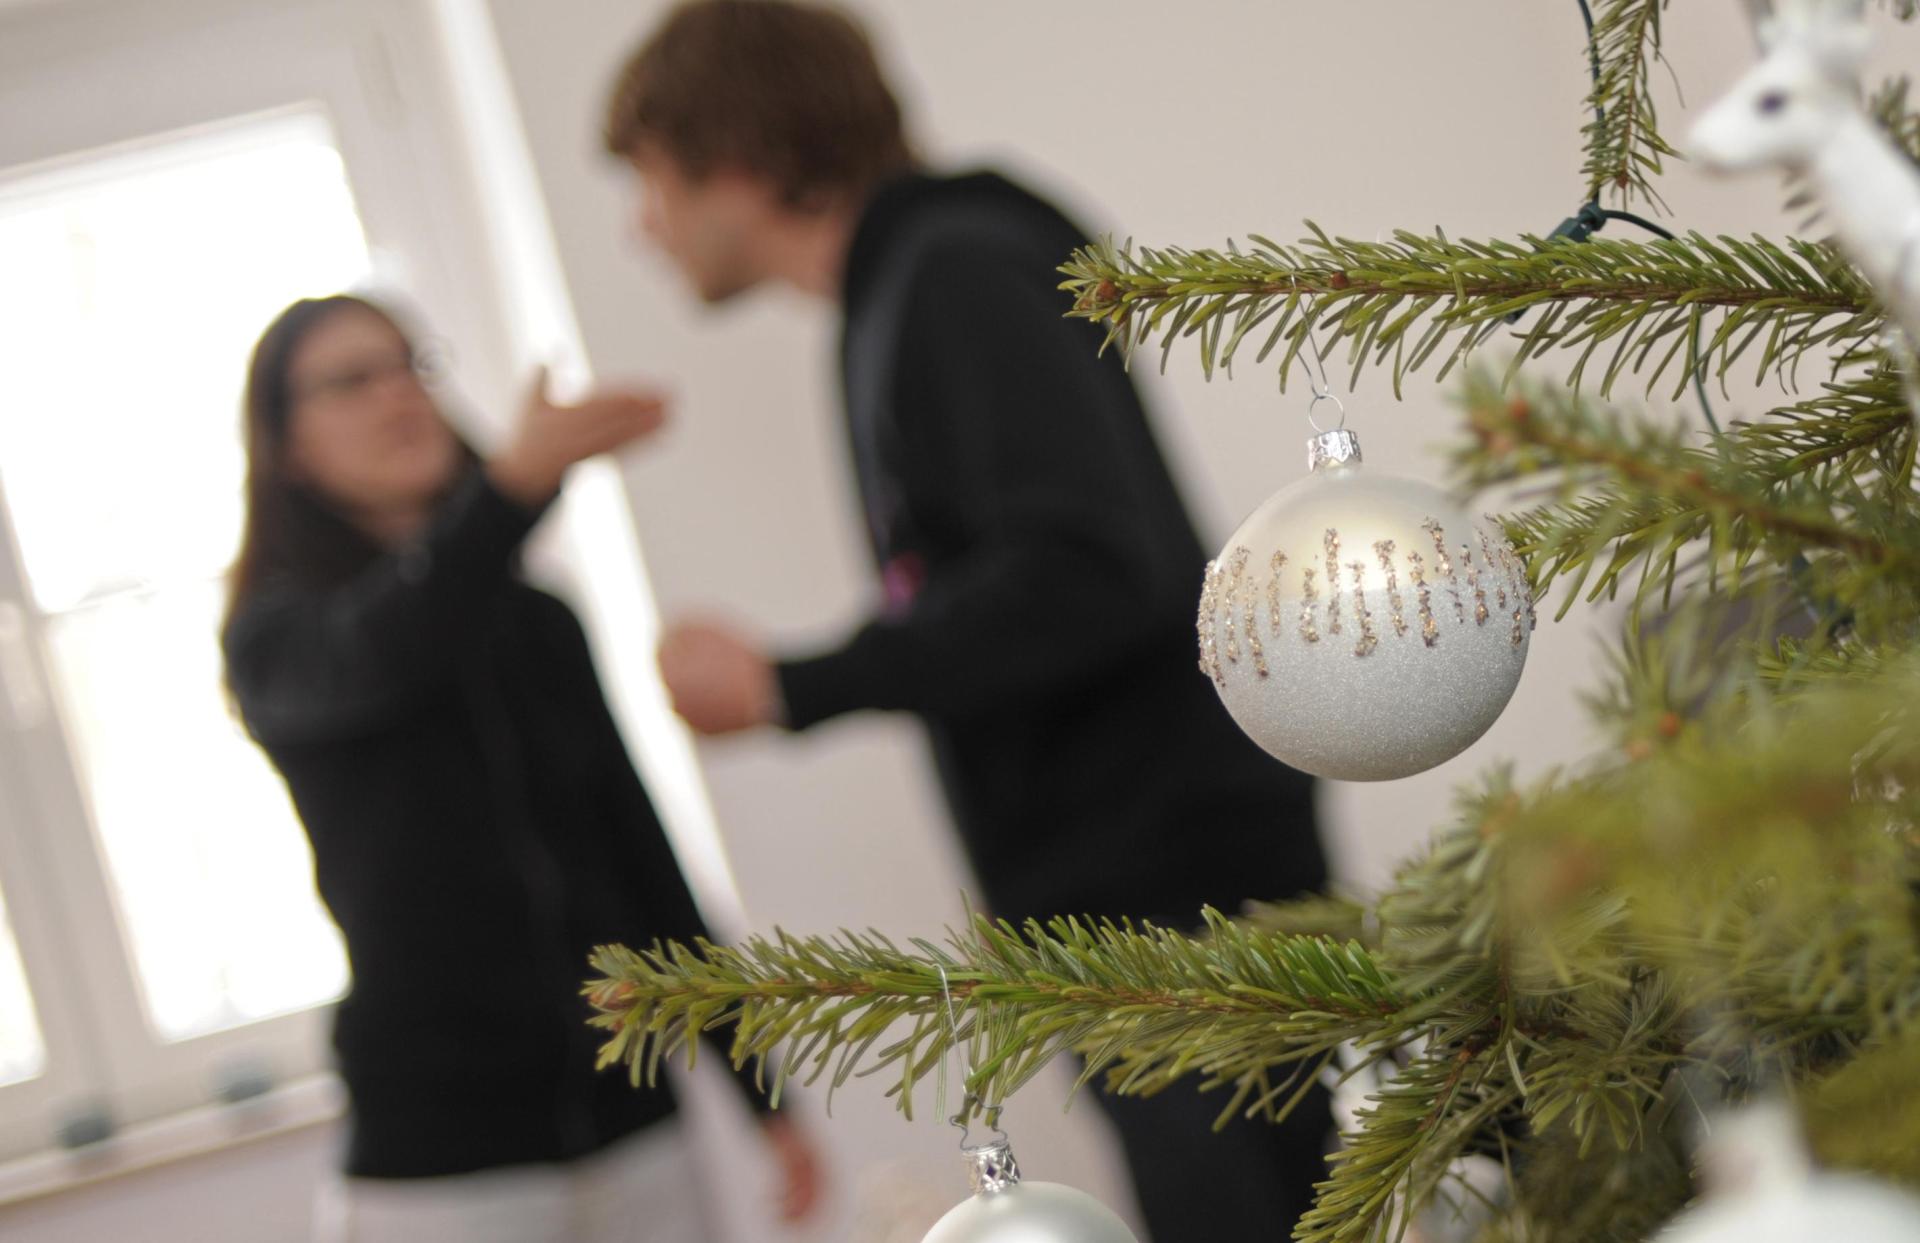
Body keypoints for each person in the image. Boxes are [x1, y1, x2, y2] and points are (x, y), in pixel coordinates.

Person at [601, 3, 1333, 1239]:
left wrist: (795, 682)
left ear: (733, 160)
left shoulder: (950, 269)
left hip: (1166, 897)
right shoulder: (918, 279)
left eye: (653, 181)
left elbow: (1094, 568)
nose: (643, 227)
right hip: (1149, 886)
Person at [221, 294, 819, 1242]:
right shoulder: (279, 639)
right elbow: (389, 647)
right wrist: (507, 491)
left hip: (633, 1129)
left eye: (409, 366)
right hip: (440, 1165)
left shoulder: (537, 622)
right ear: (286, 445)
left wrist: (762, 1090)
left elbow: (640, 858)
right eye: (350, 381)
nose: (396, 396)